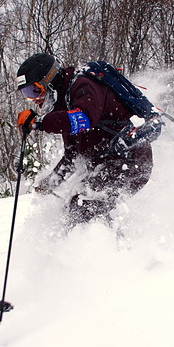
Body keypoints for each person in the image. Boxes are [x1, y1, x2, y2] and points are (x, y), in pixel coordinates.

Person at [15, 53, 153, 227]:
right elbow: (72, 155)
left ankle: (105, 249)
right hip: (107, 165)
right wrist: (51, 182)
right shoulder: (65, 103)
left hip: (130, 161)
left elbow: (84, 118)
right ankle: (113, 246)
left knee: (82, 206)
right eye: (26, 94)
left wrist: (39, 122)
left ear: (49, 80)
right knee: (76, 208)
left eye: (34, 91)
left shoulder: (83, 85)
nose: (34, 100)